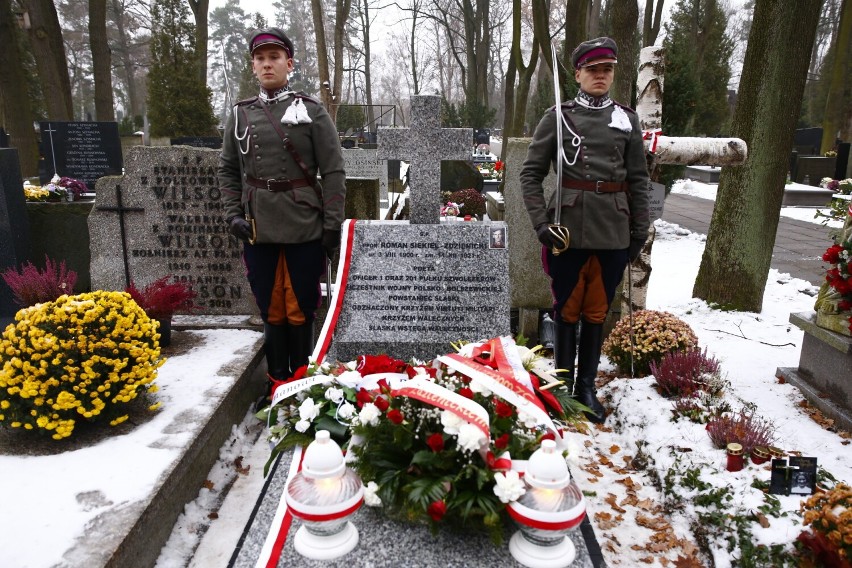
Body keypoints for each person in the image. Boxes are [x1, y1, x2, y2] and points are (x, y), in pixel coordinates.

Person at [520, 37, 650, 423]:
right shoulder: (558, 117)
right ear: (577, 74)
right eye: (592, 69)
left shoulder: (627, 119)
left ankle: (586, 388)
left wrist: (639, 229)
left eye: (606, 69)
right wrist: (542, 224)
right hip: (568, 229)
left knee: (597, 311)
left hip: (613, 229)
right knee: (567, 307)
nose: (600, 75)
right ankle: (562, 386)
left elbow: (639, 179)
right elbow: (530, 174)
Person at [219, 28, 346, 404]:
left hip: (304, 223)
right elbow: (227, 169)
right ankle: (276, 384)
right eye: (260, 58)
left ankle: (302, 385)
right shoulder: (241, 114)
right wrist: (232, 215)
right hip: (258, 226)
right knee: (269, 304)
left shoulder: (311, 110)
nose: (267, 64)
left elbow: (334, 170)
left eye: (274, 57)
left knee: (300, 304)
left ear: (288, 64)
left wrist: (331, 225)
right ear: (254, 66)